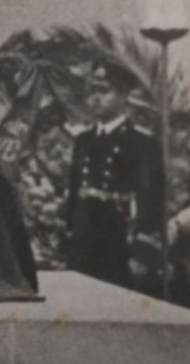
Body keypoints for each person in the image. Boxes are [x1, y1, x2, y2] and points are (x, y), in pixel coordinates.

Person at [64, 62, 164, 289]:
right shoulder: (83, 141)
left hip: (118, 242)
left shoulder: (143, 145)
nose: (95, 98)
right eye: (92, 91)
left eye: (104, 91)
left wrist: (142, 252)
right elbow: (74, 194)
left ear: (123, 96)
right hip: (83, 241)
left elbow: (151, 201)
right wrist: (69, 235)